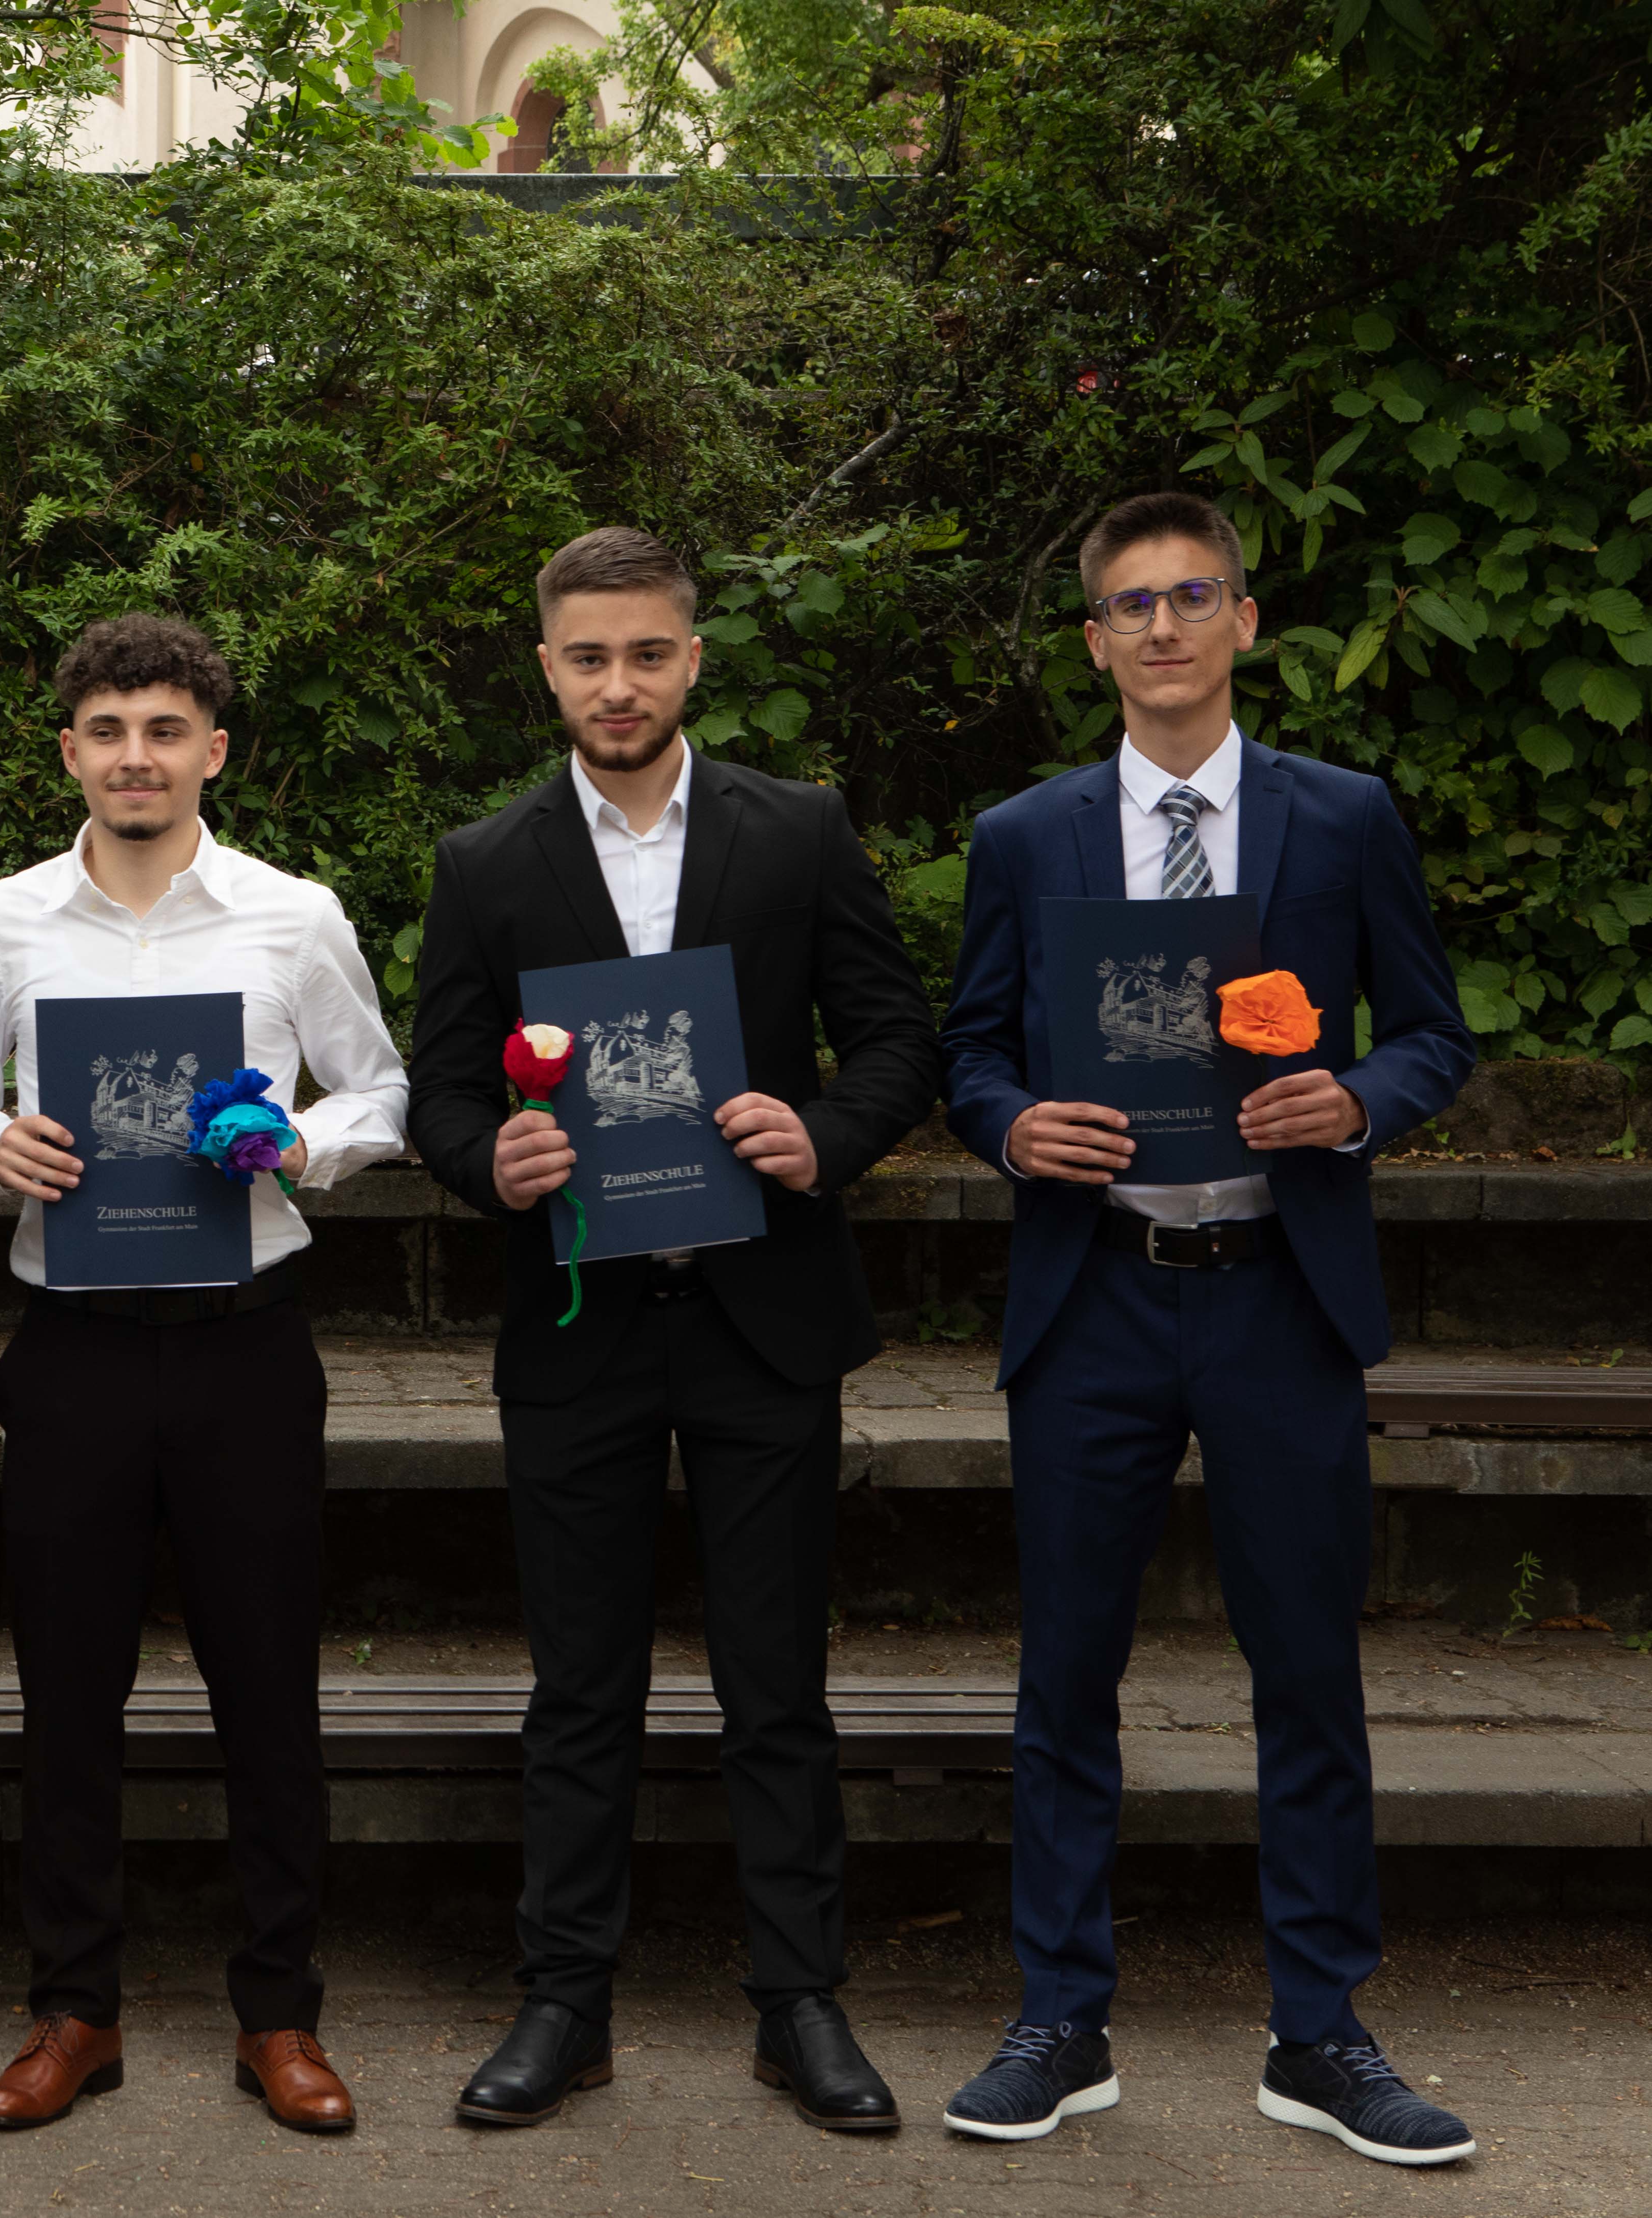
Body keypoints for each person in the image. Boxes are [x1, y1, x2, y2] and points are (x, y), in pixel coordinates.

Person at [937, 491, 1479, 2164]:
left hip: (1278, 1295)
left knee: (1307, 1671)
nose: (1163, 626)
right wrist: (1014, 1126)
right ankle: (1060, 2018)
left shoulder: (1343, 819)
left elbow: (1434, 1035)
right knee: (1065, 1674)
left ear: (1246, 620)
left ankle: (1320, 2034)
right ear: (1095, 641)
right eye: (1132, 604)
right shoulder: (1025, 835)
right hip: (1095, 1293)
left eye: (1193, 596)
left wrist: (1359, 1102)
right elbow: (971, 1055)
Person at [408, 526, 942, 2135]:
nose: (620, 683)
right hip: (579, 1321)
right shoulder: (485, 863)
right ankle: (565, 2002)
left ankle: (801, 2004)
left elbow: (897, 1038)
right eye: (589, 657)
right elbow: (442, 1093)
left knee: (778, 1683)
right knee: (580, 1687)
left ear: (694, 658)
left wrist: (824, 1137)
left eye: (648, 653)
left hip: (761, 1316)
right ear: (548, 668)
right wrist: (491, 1160)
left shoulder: (798, 831)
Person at [0, 614, 407, 2135]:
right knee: (69, 1693)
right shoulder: (3, 922)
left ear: (214, 750)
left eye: (166, 730)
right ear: (70, 749)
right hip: (72, 1351)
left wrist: (300, 1142)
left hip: (244, 1346)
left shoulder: (292, 918)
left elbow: (383, 1089)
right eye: (110, 730)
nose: (138, 757)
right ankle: (76, 2009)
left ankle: (281, 2015)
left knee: (269, 1689)